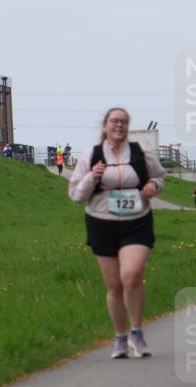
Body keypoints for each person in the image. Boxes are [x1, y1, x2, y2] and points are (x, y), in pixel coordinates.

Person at [69, 107, 166, 358]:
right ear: (105, 126)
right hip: (101, 222)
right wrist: (92, 176)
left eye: (123, 122)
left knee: (132, 276)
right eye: (114, 121)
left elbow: (159, 177)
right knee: (113, 285)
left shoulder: (141, 151)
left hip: (137, 221)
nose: (119, 126)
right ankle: (120, 338)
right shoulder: (92, 154)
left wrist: (153, 186)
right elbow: (76, 195)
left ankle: (137, 332)